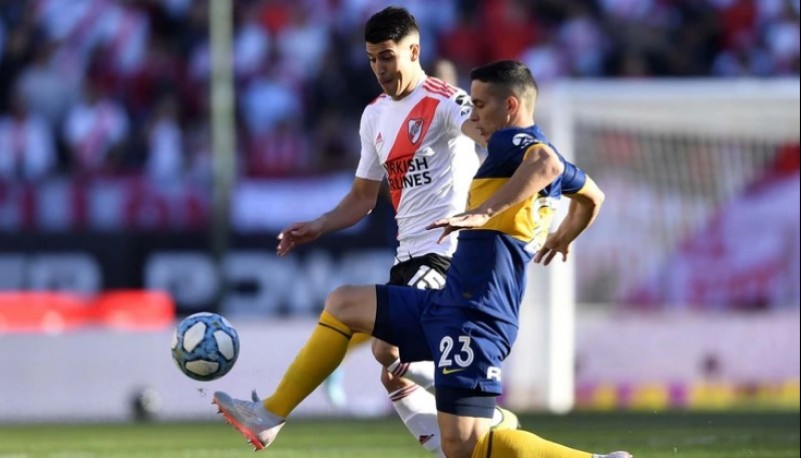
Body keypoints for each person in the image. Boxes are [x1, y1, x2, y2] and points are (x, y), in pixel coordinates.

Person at [213, 59, 632, 458]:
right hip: (451, 302)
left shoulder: (514, 142)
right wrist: (565, 233)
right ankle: (270, 414)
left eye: (480, 105)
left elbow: (546, 161)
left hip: (477, 315)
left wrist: (482, 213)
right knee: (344, 305)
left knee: (464, 448)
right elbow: (592, 195)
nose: (474, 115)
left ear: (510, 107)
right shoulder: (513, 151)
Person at [266, 6, 515, 456]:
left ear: (413, 51)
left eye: (387, 56)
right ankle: (487, 423)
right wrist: (318, 226)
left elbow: (485, 133)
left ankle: (272, 413)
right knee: (391, 366)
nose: (380, 68)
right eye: (372, 59)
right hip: (408, 255)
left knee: (383, 345)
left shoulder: (444, 101)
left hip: (448, 254)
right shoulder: (374, 116)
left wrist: (511, 171)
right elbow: (363, 197)